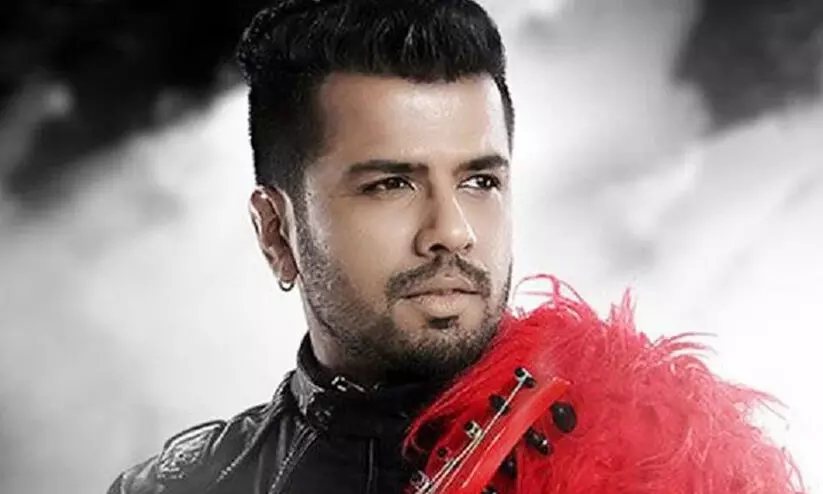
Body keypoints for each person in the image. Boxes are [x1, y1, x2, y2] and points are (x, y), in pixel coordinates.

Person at [108, 0, 516, 492]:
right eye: (390, 185)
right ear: (275, 232)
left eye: (480, 182)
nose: (451, 232)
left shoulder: (606, 457)